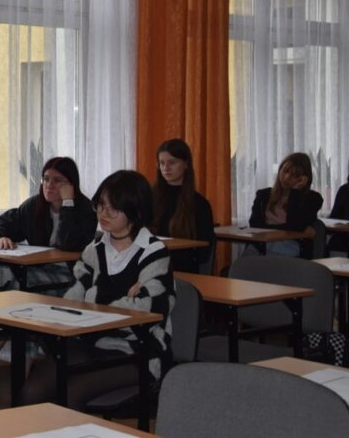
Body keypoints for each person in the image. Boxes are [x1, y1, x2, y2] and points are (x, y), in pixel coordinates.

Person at [24, 170, 175, 410]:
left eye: (113, 208)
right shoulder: (94, 249)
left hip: (139, 351)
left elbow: (145, 313)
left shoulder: (153, 253)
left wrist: (95, 298)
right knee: (32, 391)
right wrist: (122, 297)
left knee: (71, 395)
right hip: (92, 342)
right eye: (101, 205)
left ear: (136, 212)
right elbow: (72, 301)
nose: (103, 214)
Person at [0, 156, 97, 290]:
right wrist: (1, 236)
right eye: (46, 179)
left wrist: (68, 202)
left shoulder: (86, 210)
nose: (49, 185)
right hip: (39, 267)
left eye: (57, 180)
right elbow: (1, 224)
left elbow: (67, 243)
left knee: (17, 286)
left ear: (71, 185)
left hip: (72, 273)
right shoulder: (33, 206)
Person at [151, 139, 215, 273]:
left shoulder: (199, 203)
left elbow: (204, 250)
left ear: (186, 164)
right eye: (162, 163)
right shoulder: (150, 198)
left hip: (181, 267)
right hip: (151, 262)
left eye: (172, 163)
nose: (166, 168)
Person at [249, 152, 323, 256]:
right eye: (285, 171)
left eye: (294, 175)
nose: (287, 177)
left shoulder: (313, 198)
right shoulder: (263, 195)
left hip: (290, 245)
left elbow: (295, 226)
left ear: (304, 179)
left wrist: (295, 192)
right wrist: (281, 229)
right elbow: (254, 224)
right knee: (244, 261)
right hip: (262, 243)